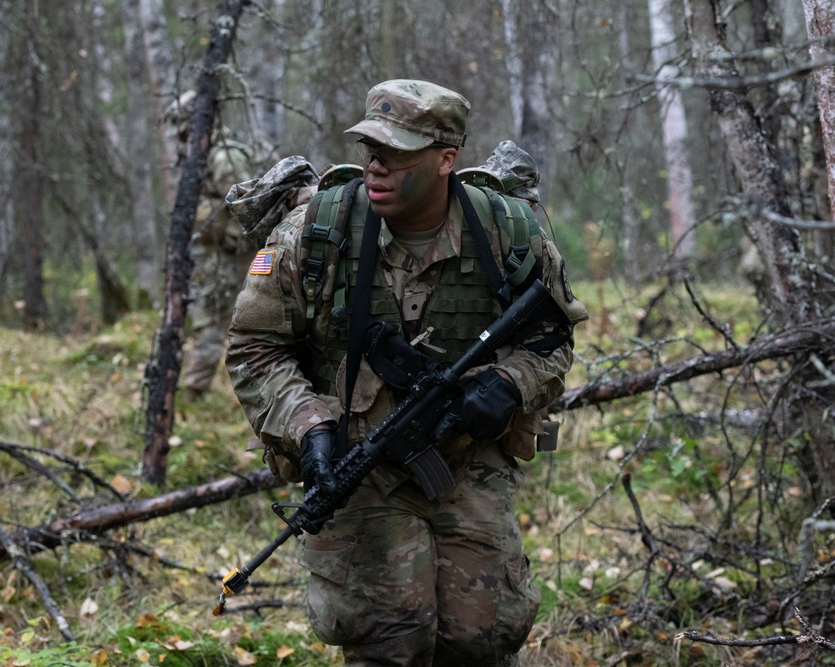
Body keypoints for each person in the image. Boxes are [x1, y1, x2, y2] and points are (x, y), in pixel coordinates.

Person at [226, 79, 587, 666]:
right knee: (388, 639)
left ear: (447, 160)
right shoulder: (317, 235)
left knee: (483, 637)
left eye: (397, 153)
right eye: (371, 149)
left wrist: (509, 384)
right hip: (357, 463)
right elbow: (254, 349)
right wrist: (309, 426)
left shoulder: (507, 231)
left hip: (468, 460)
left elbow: (552, 337)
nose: (376, 165)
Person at [162, 90, 272, 401]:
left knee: (214, 319)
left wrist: (233, 240)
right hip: (215, 254)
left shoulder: (224, 155)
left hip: (230, 256)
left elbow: (248, 203)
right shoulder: (205, 153)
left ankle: (196, 392)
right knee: (212, 317)